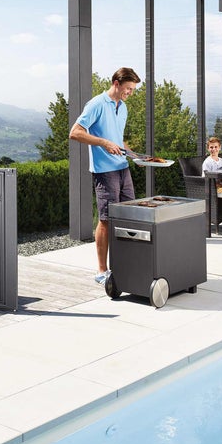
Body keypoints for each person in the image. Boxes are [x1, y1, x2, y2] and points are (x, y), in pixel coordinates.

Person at [69, 67, 141, 284]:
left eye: (133, 89)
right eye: (128, 88)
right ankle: (102, 271)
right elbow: (75, 133)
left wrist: (135, 155)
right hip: (104, 171)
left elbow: (117, 139)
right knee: (107, 219)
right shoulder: (97, 104)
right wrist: (104, 143)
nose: (130, 92)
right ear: (116, 83)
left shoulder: (124, 107)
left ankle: (125, 264)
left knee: (128, 216)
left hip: (122, 167)